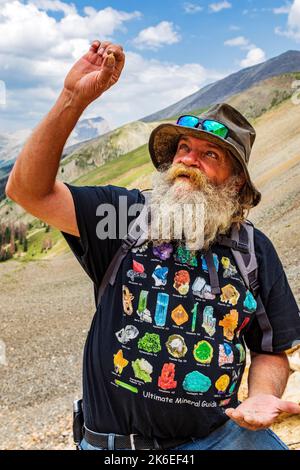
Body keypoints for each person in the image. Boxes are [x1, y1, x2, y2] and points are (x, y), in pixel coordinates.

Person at [5, 40, 300, 451]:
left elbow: (269, 349)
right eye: (183, 148)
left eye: (209, 153)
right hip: (117, 447)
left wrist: (261, 395)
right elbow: (27, 191)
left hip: (220, 438)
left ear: (235, 182)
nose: (188, 160)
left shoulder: (254, 250)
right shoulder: (123, 215)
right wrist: (72, 98)